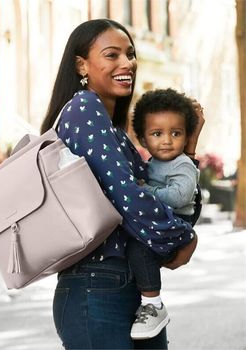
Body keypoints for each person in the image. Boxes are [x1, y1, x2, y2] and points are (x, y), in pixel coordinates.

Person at [40, 19, 204, 350]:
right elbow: (128, 197)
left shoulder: (112, 129)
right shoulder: (84, 108)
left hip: (127, 287)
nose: (127, 63)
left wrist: (188, 150)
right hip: (96, 286)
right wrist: (182, 238)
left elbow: (167, 195)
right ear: (81, 64)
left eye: (130, 54)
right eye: (112, 55)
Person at [127, 88, 200, 340]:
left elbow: (180, 196)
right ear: (144, 140)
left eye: (175, 133)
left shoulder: (183, 164)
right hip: (163, 219)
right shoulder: (152, 164)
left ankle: (153, 303)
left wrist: (146, 191)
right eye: (157, 134)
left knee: (141, 248)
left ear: (186, 135)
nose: (167, 140)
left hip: (178, 221)